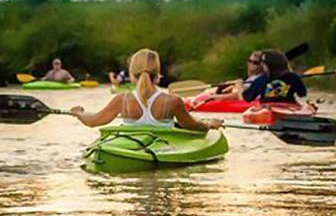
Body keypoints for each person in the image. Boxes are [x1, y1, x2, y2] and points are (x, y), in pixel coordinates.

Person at [70, 48, 223, 130]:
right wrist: (210, 124)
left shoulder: (122, 100)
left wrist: (79, 113)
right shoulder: (173, 101)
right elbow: (193, 126)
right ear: (158, 74)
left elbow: (93, 121)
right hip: (164, 151)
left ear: (131, 74)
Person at [193, 51, 264, 105]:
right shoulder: (252, 78)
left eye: (255, 62)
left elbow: (239, 96)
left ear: (262, 64)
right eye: (250, 61)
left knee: (211, 94)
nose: (251, 64)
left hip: (250, 104)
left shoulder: (259, 79)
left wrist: (216, 97)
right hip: (247, 100)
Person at [240, 49, 307, 104]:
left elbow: (247, 98)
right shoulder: (293, 77)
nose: (262, 65)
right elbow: (302, 94)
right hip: (288, 107)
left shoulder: (261, 80)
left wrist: (240, 86)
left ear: (268, 65)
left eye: (263, 62)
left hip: (266, 108)